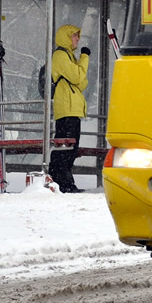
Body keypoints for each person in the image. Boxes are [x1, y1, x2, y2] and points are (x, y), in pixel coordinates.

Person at [49, 24, 90, 194]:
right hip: (66, 108)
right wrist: (85, 58)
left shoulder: (69, 57)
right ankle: (61, 182)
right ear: (66, 37)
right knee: (65, 148)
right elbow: (79, 76)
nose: (77, 39)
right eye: (74, 36)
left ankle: (63, 181)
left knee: (70, 149)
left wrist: (79, 70)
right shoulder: (60, 55)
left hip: (72, 108)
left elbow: (81, 82)